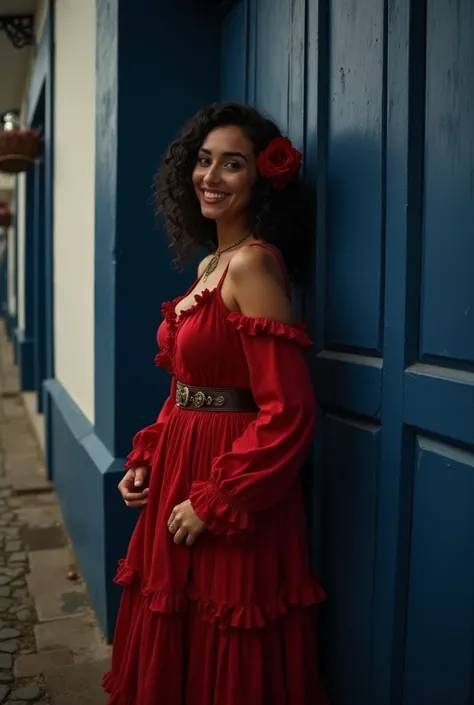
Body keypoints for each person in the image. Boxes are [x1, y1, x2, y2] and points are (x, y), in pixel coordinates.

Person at [102, 102, 328, 705]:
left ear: (261, 179)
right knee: (178, 627)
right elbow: (187, 384)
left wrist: (217, 501)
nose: (210, 177)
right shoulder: (210, 264)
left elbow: (289, 411)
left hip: (232, 485)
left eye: (232, 164)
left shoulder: (253, 265)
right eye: (204, 161)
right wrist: (147, 454)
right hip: (180, 464)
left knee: (228, 627)